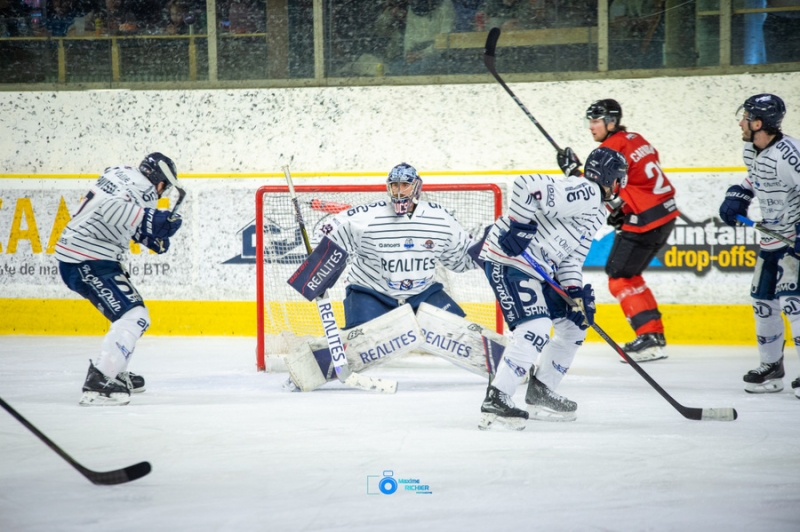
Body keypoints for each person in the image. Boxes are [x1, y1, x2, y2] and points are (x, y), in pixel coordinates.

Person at [282, 162, 500, 392]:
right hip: (370, 291)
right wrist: (317, 256)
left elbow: (460, 259)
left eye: (404, 185)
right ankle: (302, 371)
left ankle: (509, 366)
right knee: (359, 343)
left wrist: (485, 252)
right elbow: (331, 229)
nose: (398, 191)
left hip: (422, 293)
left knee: (459, 333)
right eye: (394, 185)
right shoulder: (367, 216)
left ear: (416, 187)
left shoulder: (440, 219)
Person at [477, 147, 628, 430]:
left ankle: (540, 390)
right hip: (509, 258)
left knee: (573, 325)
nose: (621, 187)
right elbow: (526, 185)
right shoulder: (587, 191)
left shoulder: (596, 212)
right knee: (535, 326)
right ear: (611, 179)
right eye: (620, 179)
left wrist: (574, 292)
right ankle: (498, 398)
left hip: (539, 270)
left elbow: (570, 259)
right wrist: (519, 227)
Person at [55, 153, 183, 405]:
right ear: (159, 182)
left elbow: (108, 209)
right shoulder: (144, 188)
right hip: (87, 260)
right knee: (134, 316)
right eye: (164, 188)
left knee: (128, 315)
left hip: (82, 256)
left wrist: (143, 233)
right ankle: (100, 379)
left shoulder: (119, 173)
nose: (160, 193)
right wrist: (149, 220)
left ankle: (114, 368)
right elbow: (109, 208)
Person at [561, 98, 679, 363]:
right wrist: (622, 208)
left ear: (610, 122)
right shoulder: (636, 139)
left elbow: (595, 190)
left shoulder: (611, 146)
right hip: (665, 213)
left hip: (645, 220)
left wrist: (571, 172)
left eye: (595, 121)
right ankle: (653, 335)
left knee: (619, 276)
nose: (591, 127)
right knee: (630, 274)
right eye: (589, 121)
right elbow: (636, 180)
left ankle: (649, 338)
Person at [718, 93, 800, 398]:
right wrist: (739, 193)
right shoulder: (752, 149)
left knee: (794, 304)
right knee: (763, 303)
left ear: (758, 123)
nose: (740, 122)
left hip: (793, 239)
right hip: (771, 241)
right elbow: (756, 177)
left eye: (745, 117)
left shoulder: (790, 153)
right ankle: (771, 367)